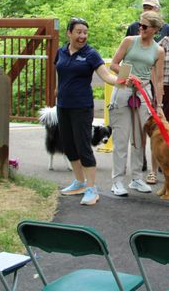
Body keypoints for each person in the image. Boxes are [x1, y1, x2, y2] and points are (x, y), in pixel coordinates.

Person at [57, 18, 124, 206]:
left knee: (83, 147)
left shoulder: (91, 54)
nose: (82, 36)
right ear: (69, 33)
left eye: (85, 32)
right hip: (63, 106)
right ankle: (78, 182)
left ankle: (92, 189)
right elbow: (60, 73)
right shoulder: (61, 51)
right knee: (69, 146)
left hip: (81, 107)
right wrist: (58, 92)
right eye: (78, 32)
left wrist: (121, 80)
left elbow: (106, 75)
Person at [109, 11, 165, 197]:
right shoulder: (129, 41)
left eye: (145, 26)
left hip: (143, 94)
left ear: (155, 29)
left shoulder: (158, 50)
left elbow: (158, 80)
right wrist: (129, 75)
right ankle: (117, 180)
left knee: (140, 137)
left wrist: (159, 105)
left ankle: (136, 178)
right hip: (124, 89)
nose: (140, 28)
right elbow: (114, 64)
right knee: (121, 137)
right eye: (140, 25)